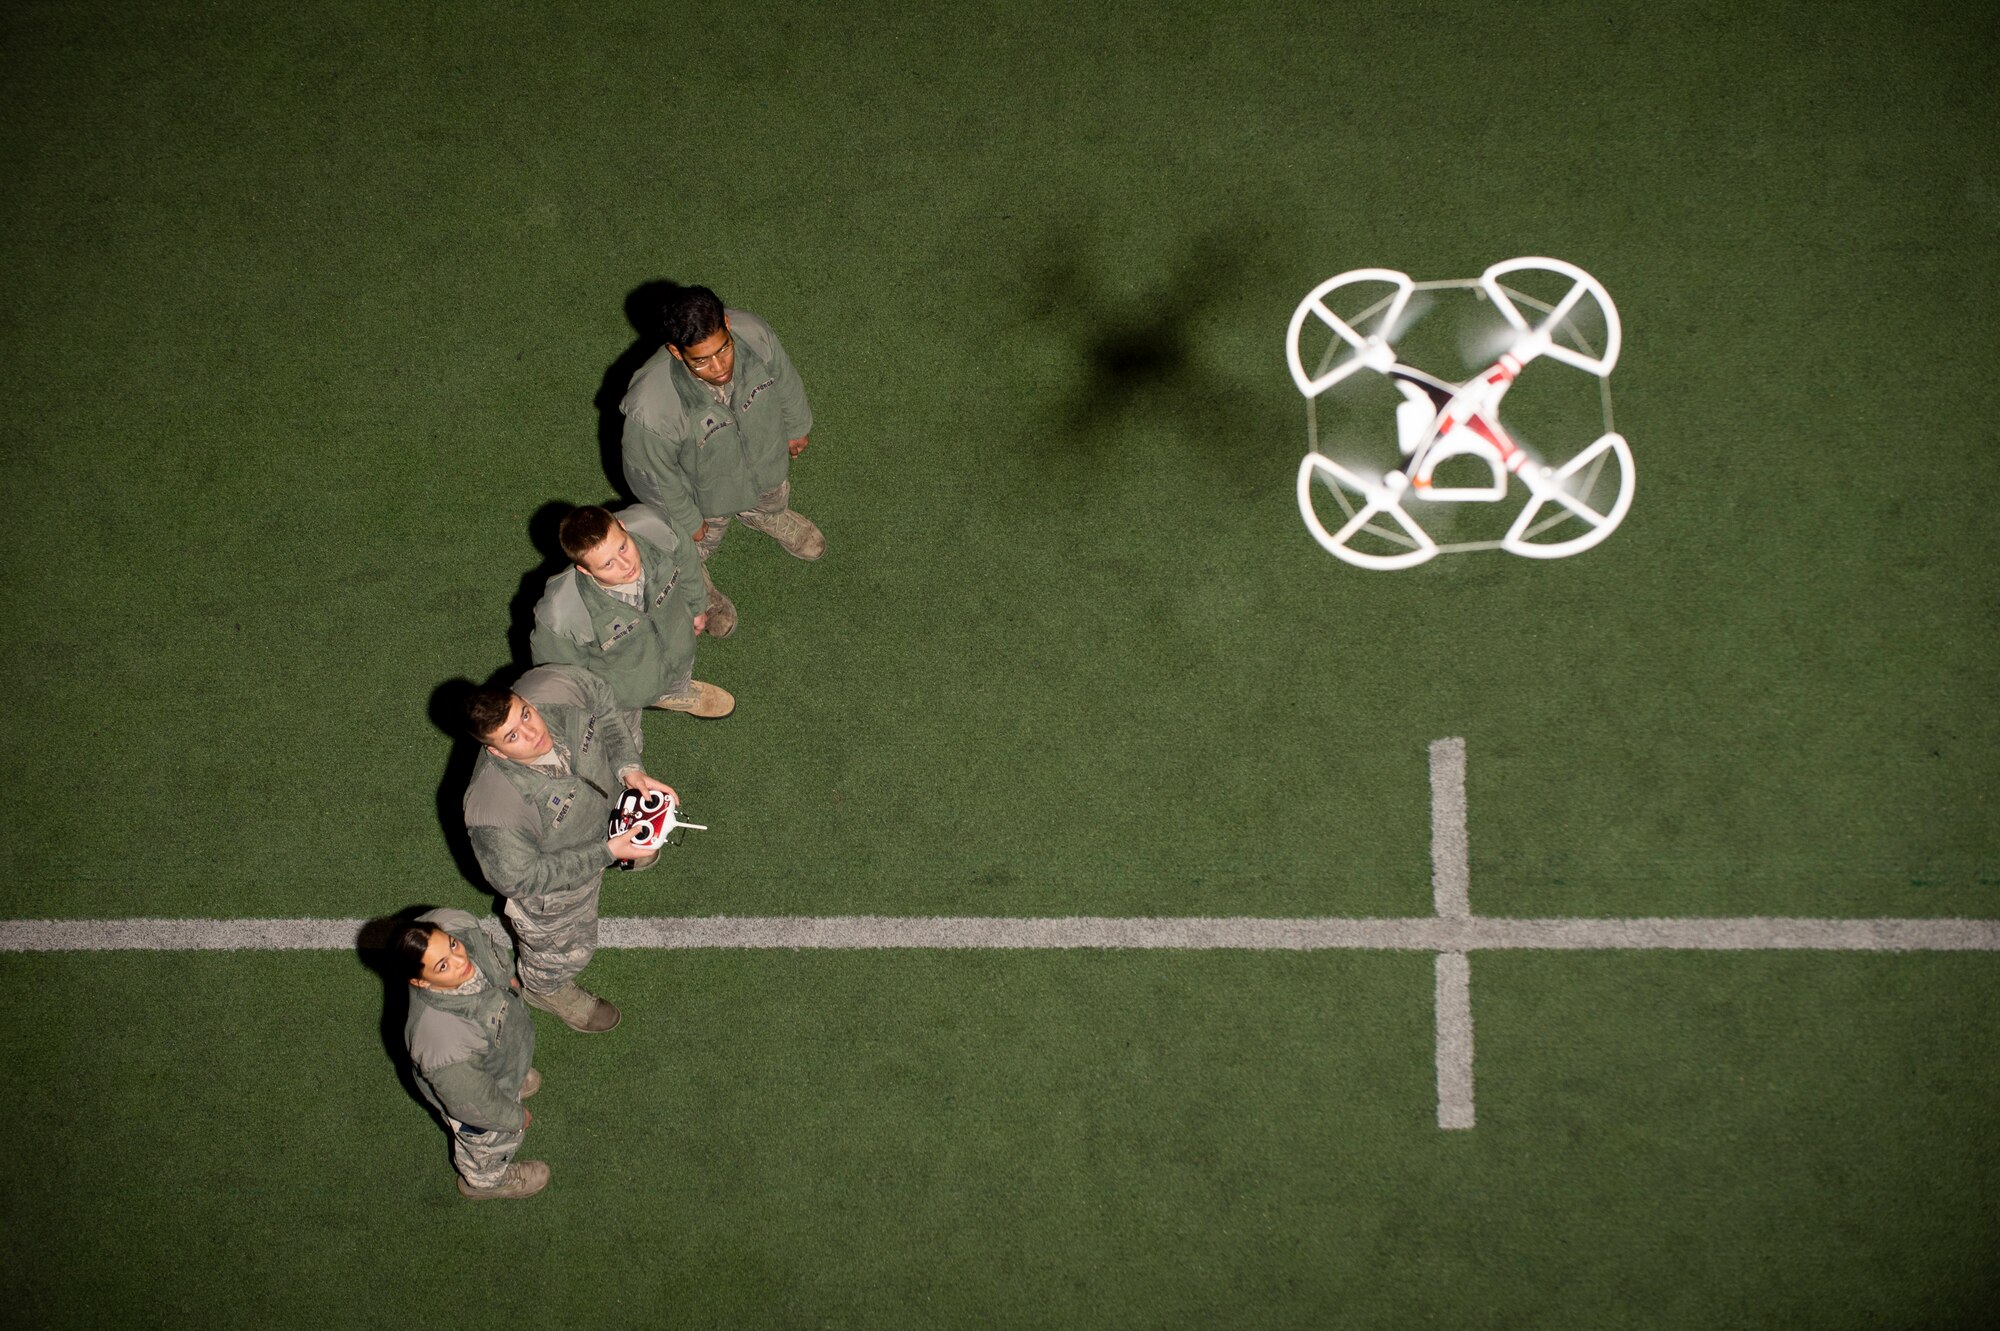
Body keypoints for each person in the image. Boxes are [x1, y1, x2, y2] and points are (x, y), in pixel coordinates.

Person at [461, 664, 678, 1033]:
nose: (533, 732)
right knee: (566, 951)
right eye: (513, 736)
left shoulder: (553, 687)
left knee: (629, 831)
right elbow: (524, 880)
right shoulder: (495, 812)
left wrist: (629, 767)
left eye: (525, 713)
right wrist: (606, 853)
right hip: (556, 883)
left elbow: (605, 700)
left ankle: (627, 846)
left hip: (604, 815)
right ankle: (545, 989)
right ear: (495, 753)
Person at [620, 284, 823, 638]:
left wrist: (797, 425)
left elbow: (785, 378)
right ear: (676, 351)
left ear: (727, 325)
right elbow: (652, 477)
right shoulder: (650, 408)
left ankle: (767, 517)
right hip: (704, 494)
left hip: (764, 458)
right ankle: (698, 586)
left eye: (723, 350)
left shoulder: (754, 335)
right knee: (693, 546)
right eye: (701, 360)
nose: (718, 367)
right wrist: (686, 518)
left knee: (772, 496)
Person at [530, 503, 734, 743]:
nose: (626, 565)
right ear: (584, 571)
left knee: (680, 670)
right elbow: (562, 680)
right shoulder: (561, 614)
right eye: (608, 564)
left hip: (677, 642)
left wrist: (698, 606)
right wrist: (601, 710)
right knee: (625, 742)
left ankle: (674, 693)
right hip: (622, 695)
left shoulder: (657, 529)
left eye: (623, 547)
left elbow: (688, 559)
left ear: (623, 527)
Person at [396, 907, 547, 1200]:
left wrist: (507, 978)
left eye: (452, 945)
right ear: (421, 982)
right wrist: (513, 1117)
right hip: (475, 1101)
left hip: (495, 1060)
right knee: (489, 1144)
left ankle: (511, 1080)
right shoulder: (443, 1044)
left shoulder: (452, 923)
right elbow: (474, 1106)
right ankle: (485, 1180)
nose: (460, 960)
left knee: (498, 1075)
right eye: (442, 966)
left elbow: (487, 949)